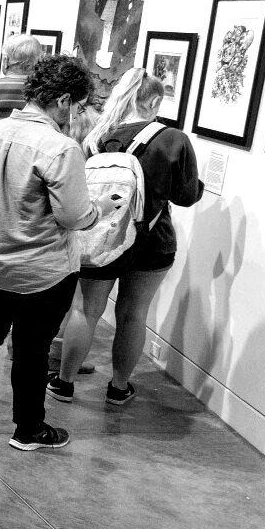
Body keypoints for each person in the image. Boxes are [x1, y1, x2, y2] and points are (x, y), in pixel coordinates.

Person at [0, 54, 96, 451]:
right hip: (42, 268)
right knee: (32, 349)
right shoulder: (60, 147)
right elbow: (73, 216)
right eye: (79, 104)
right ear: (64, 100)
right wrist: (98, 210)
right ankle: (29, 428)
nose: (77, 113)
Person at [51, 66, 204, 406]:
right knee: (134, 313)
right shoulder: (173, 139)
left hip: (100, 234)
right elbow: (186, 196)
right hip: (151, 241)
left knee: (87, 309)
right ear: (151, 101)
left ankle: (65, 382)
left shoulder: (96, 136)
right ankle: (119, 386)